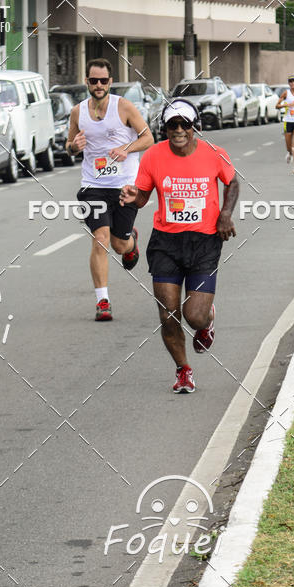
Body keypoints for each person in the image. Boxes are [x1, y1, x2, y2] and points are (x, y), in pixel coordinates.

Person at [119, 100, 239, 394]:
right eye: (173, 125)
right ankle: (183, 370)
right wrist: (131, 195)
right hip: (166, 243)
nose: (179, 130)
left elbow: (233, 182)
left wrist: (225, 215)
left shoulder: (213, 154)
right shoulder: (153, 156)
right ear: (165, 129)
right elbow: (143, 197)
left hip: (205, 242)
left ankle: (207, 319)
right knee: (168, 312)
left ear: (195, 126)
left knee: (193, 315)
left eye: (185, 124)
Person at [66, 58, 154, 321]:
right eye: (94, 81)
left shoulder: (124, 107)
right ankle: (102, 301)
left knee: (118, 244)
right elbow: (69, 145)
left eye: (104, 80)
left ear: (110, 82)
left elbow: (148, 137)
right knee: (100, 238)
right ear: (87, 82)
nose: (99, 85)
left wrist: (126, 149)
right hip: (93, 186)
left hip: (125, 186)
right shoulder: (77, 112)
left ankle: (131, 243)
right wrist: (74, 146)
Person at [276, 74, 294, 175]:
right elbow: (277, 105)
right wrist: (286, 104)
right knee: (289, 147)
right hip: (288, 121)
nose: (292, 83)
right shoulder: (286, 93)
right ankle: (289, 152)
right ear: (289, 84)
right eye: (290, 81)